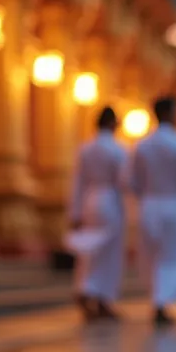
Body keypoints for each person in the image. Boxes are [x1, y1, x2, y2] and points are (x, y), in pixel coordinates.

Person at [127, 96, 176, 326]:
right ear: (171, 113)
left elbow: (131, 181)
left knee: (152, 254)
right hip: (174, 204)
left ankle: (158, 299)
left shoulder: (142, 145)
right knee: (173, 255)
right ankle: (161, 301)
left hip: (149, 205)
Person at [68, 106, 127, 321]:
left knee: (89, 249)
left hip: (89, 200)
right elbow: (123, 180)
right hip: (110, 201)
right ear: (112, 123)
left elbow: (78, 182)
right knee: (109, 252)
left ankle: (86, 287)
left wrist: (75, 213)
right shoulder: (118, 149)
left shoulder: (86, 148)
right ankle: (101, 298)